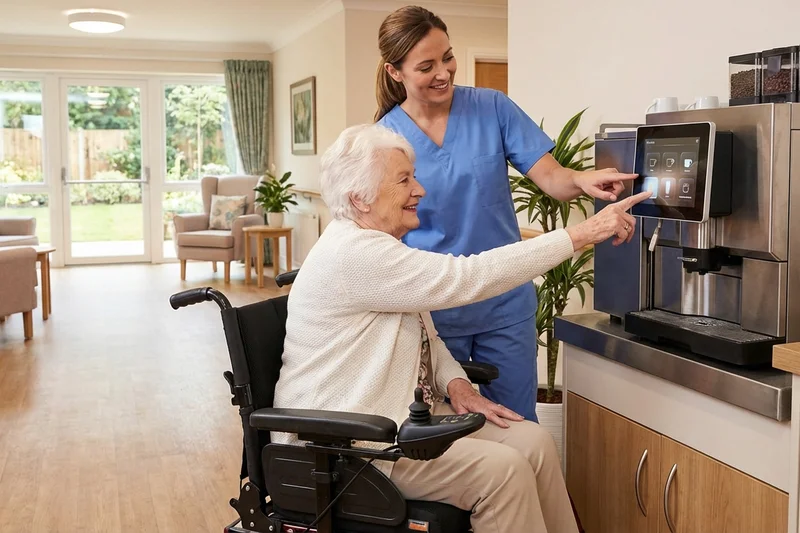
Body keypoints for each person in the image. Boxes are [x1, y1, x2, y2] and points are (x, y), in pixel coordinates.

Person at [271, 123, 649, 533]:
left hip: (395, 426)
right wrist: (579, 235)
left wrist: (456, 385)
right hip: (347, 446)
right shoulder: (355, 255)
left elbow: (425, 336)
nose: (420, 190)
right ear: (359, 198)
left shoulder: (378, 247)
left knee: (534, 443)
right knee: (501, 471)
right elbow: (468, 277)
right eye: (404, 180)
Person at [374, 5, 635, 421]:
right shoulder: (384, 137)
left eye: (447, 57)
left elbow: (551, 178)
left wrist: (582, 180)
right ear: (395, 72)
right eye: (426, 66)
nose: (444, 72)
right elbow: (383, 230)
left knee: (519, 424)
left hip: (505, 303)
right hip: (435, 308)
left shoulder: (492, 107)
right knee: (442, 433)